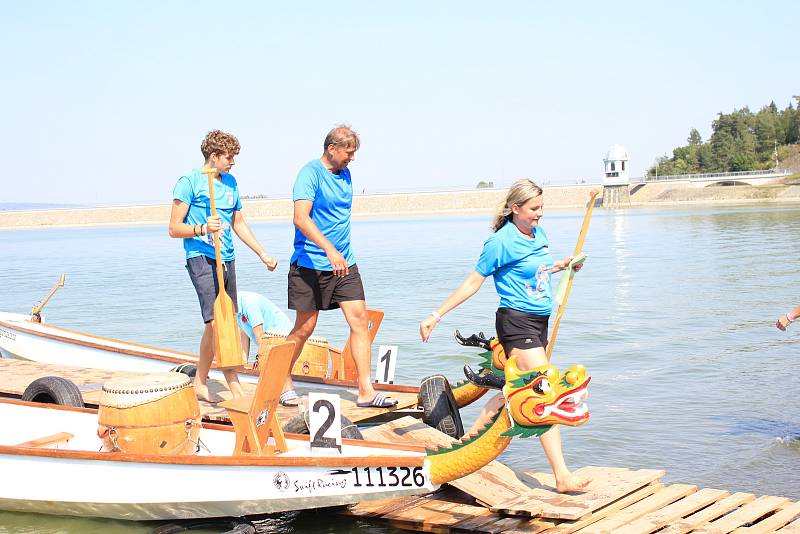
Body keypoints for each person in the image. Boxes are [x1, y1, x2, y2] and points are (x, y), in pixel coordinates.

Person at [418, 178, 589, 493]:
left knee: (512, 394)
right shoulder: (500, 242)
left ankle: (461, 450)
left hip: (539, 321)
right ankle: (562, 476)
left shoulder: (538, 233)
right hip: (515, 323)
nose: (540, 214)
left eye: (541, 208)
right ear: (516, 208)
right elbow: (473, 282)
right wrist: (436, 315)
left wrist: (563, 266)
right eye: (534, 209)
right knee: (542, 391)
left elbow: (534, 269)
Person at [284, 124, 396, 409]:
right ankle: (283, 379)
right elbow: (301, 218)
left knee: (359, 319)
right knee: (304, 328)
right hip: (310, 264)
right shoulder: (309, 174)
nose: (352, 158)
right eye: (349, 152)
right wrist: (329, 250)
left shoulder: (345, 173)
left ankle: (365, 391)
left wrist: (339, 253)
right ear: (331, 148)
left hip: (344, 263)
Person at [168, 130, 278, 403]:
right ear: (213, 156)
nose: (233, 163)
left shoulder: (230, 183)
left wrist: (262, 253)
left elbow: (238, 223)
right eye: (229, 158)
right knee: (219, 323)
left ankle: (200, 383)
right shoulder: (189, 182)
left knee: (215, 325)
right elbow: (173, 228)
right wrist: (203, 227)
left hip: (226, 258)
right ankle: (234, 383)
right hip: (201, 257)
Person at [238, 291, 293, 363]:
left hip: (283, 337)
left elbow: (260, 336)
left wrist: (259, 359)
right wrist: (243, 362)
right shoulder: (234, 308)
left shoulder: (249, 304)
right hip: (268, 342)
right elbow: (244, 332)